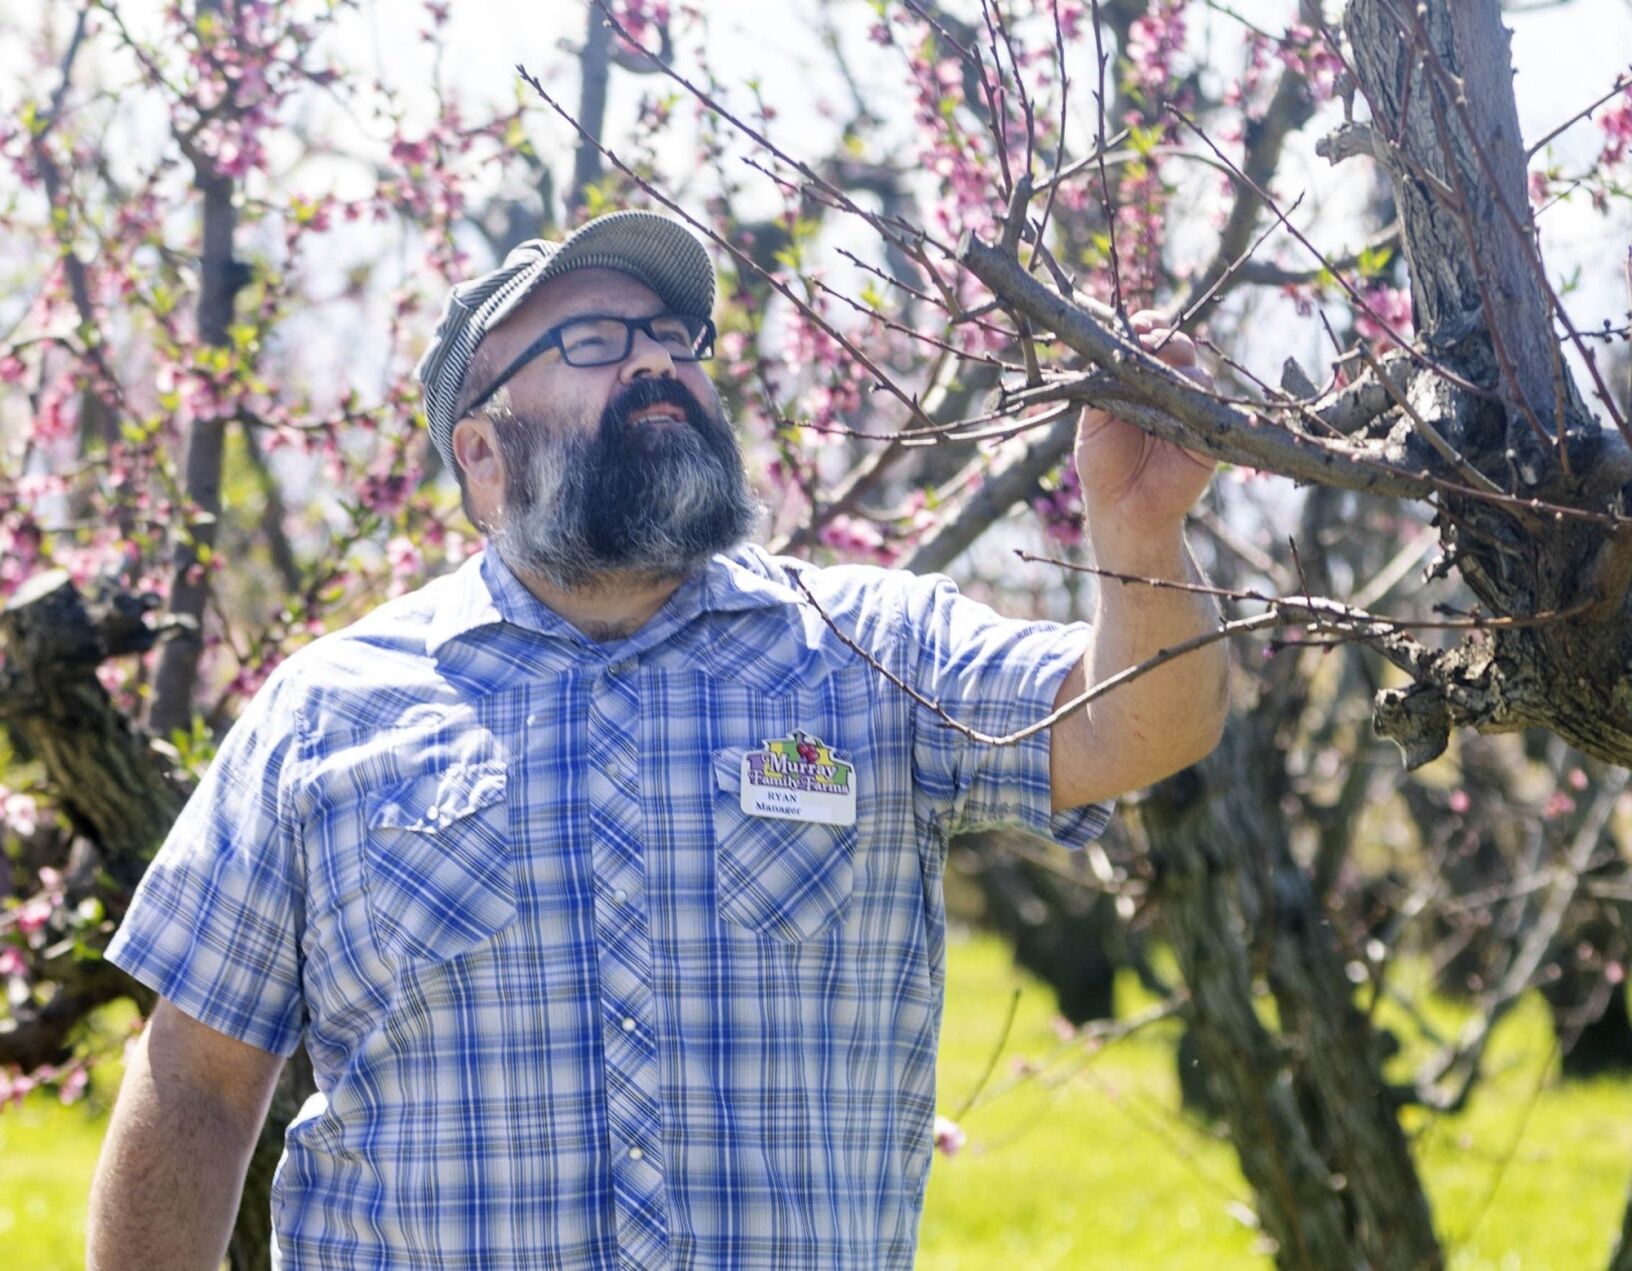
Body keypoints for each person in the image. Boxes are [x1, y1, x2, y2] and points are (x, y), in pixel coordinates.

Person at [87, 209, 1228, 1269]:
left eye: (674, 336)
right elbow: (194, 1079)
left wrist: (1140, 531)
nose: (654, 361)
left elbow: (1139, 723)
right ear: (482, 453)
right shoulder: (327, 712)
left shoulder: (868, 650)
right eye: (592, 338)